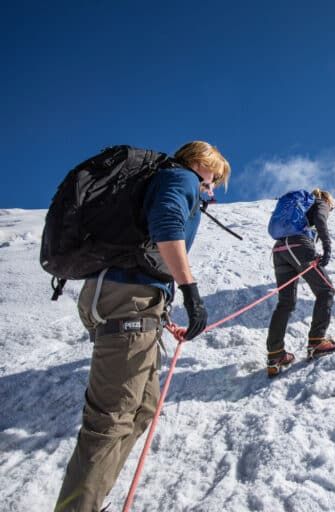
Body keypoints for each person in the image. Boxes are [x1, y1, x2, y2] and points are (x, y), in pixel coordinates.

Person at [55, 141, 231, 512]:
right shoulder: (181, 177)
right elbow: (167, 223)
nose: (211, 189)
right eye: (213, 179)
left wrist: (161, 315)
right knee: (112, 418)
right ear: (202, 163)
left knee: (143, 409)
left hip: (128, 299)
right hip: (126, 299)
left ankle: (90, 500)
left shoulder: (164, 179)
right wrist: (191, 292)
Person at [265, 189, 335, 377]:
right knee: (326, 290)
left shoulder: (298, 207)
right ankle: (316, 341)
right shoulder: (320, 202)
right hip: (298, 245)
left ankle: (276, 354)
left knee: (285, 302)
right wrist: (327, 248)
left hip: (279, 249)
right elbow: (321, 222)